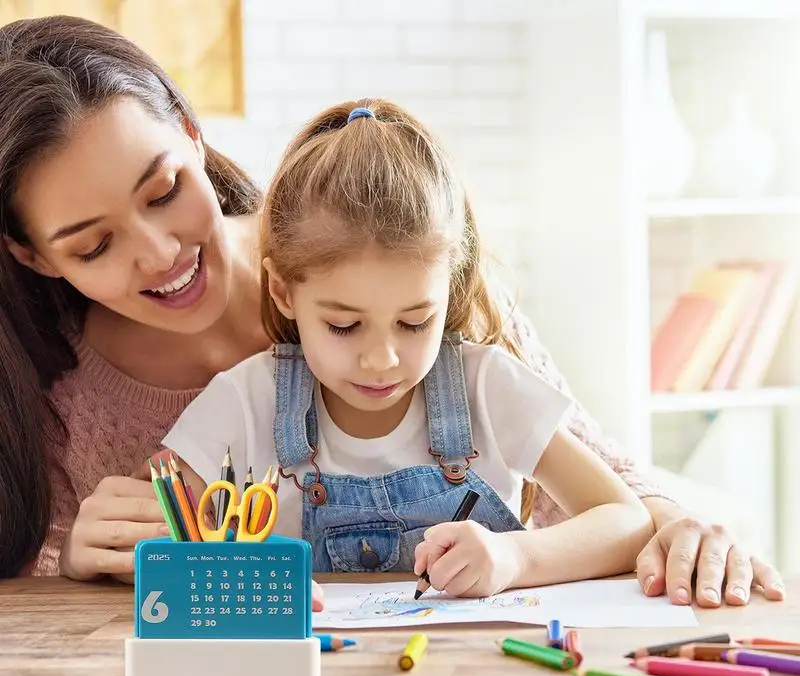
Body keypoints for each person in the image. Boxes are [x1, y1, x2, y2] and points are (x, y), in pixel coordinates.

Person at [0, 17, 782, 607]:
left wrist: (676, 528)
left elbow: (616, 492)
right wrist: (76, 564)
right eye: (93, 244)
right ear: (33, 255)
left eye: (164, 190)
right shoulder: (61, 398)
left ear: (193, 133)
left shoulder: (386, 251)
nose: (159, 251)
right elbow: (92, 604)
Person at [161, 99, 782, 605]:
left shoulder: (486, 387)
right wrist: (252, 583)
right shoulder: (244, 403)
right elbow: (163, 546)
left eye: (414, 322)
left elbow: (624, 519)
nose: (383, 359)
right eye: (345, 327)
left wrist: (515, 556)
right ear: (283, 292)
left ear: (449, 290)